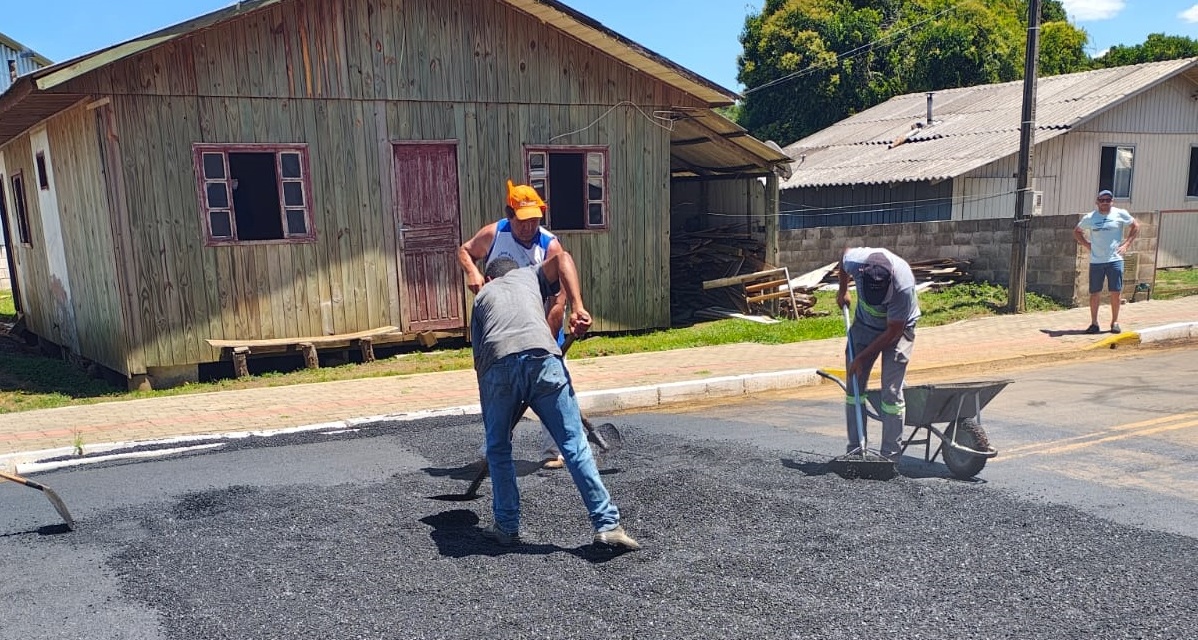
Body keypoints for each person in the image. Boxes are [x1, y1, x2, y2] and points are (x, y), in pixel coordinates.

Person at [471, 251, 640, 551]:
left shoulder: (482, 296)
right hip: (543, 358)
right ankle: (607, 525)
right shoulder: (532, 276)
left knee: (498, 448)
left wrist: (498, 418)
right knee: (574, 444)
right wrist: (578, 307)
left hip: (498, 368)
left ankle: (507, 527)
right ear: (519, 270)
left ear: (488, 278)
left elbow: (479, 363)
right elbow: (563, 258)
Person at [458, 179, 566, 469]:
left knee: (549, 384)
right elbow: (465, 251)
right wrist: (472, 272)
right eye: (523, 221)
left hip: (541, 321)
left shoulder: (549, 244)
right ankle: (493, 445)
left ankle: (552, 449)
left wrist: (547, 337)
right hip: (500, 328)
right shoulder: (495, 234)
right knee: (498, 386)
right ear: (510, 214)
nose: (529, 228)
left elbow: (559, 298)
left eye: (534, 221)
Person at [836, 247, 921, 463]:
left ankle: (889, 458)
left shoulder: (903, 285)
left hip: (899, 330)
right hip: (864, 326)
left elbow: (893, 332)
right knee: (854, 387)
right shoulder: (855, 261)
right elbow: (843, 256)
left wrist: (862, 358)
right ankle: (855, 451)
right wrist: (843, 289)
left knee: (891, 392)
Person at [1074, 189, 1140, 334]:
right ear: (1097, 202)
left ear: (1112, 201)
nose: (1105, 203)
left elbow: (1135, 226)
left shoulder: (1120, 213)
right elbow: (1077, 231)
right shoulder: (1090, 217)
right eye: (1102, 200)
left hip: (1115, 260)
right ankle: (1094, 323)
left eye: (1107, 200)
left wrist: (1126, 244)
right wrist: (1087, 244)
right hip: (1097, 261)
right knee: (1094, 293)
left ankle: (1114, 322)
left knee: (1115, 292)